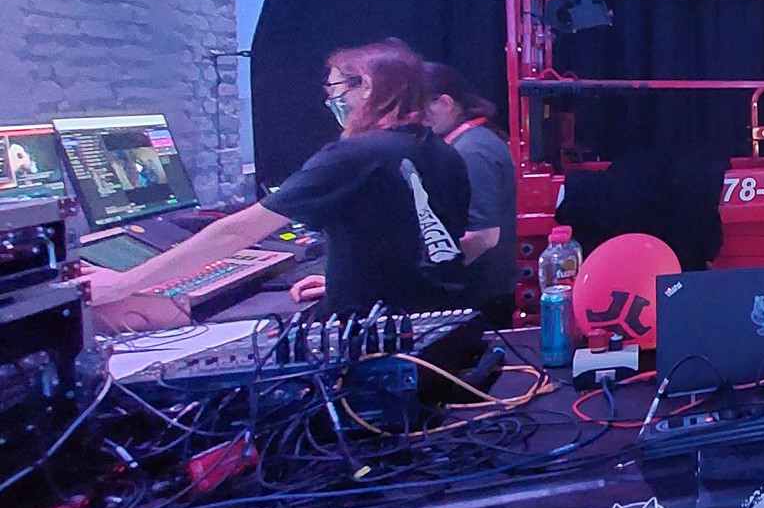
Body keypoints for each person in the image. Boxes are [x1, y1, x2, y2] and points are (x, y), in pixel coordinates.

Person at [82, 39, 474, 318]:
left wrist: (123, 284)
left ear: (366, 88)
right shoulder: (443, 152)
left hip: (372, 338)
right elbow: (413, 247)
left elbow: (236, 233)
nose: (330, 101)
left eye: (335, 87)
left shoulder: (354, 155)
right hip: (437, 320)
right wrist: (345, 281)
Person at [425, 62, 518, 328]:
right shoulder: (471, 142)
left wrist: (426, 276)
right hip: (481, 292)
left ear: (444, 103)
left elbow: (483, 236)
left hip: (481, 297)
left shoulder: (471, 152)